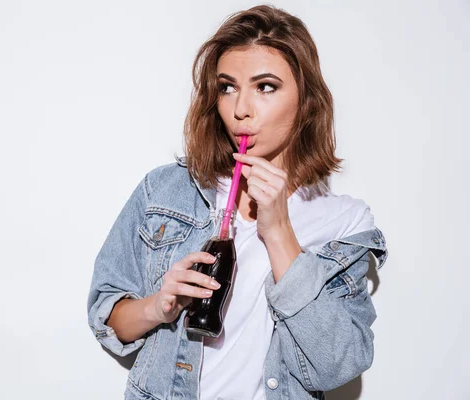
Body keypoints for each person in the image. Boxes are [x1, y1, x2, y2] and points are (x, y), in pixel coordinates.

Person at [87, 4, 389, 400]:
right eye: (227, 87)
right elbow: (107, 318)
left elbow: (340, 364)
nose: (240, 110)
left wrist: (279, 231)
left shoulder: (343, 222)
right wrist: (161, 307)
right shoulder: (168, 189)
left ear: (307, 100)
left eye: (265, 87)